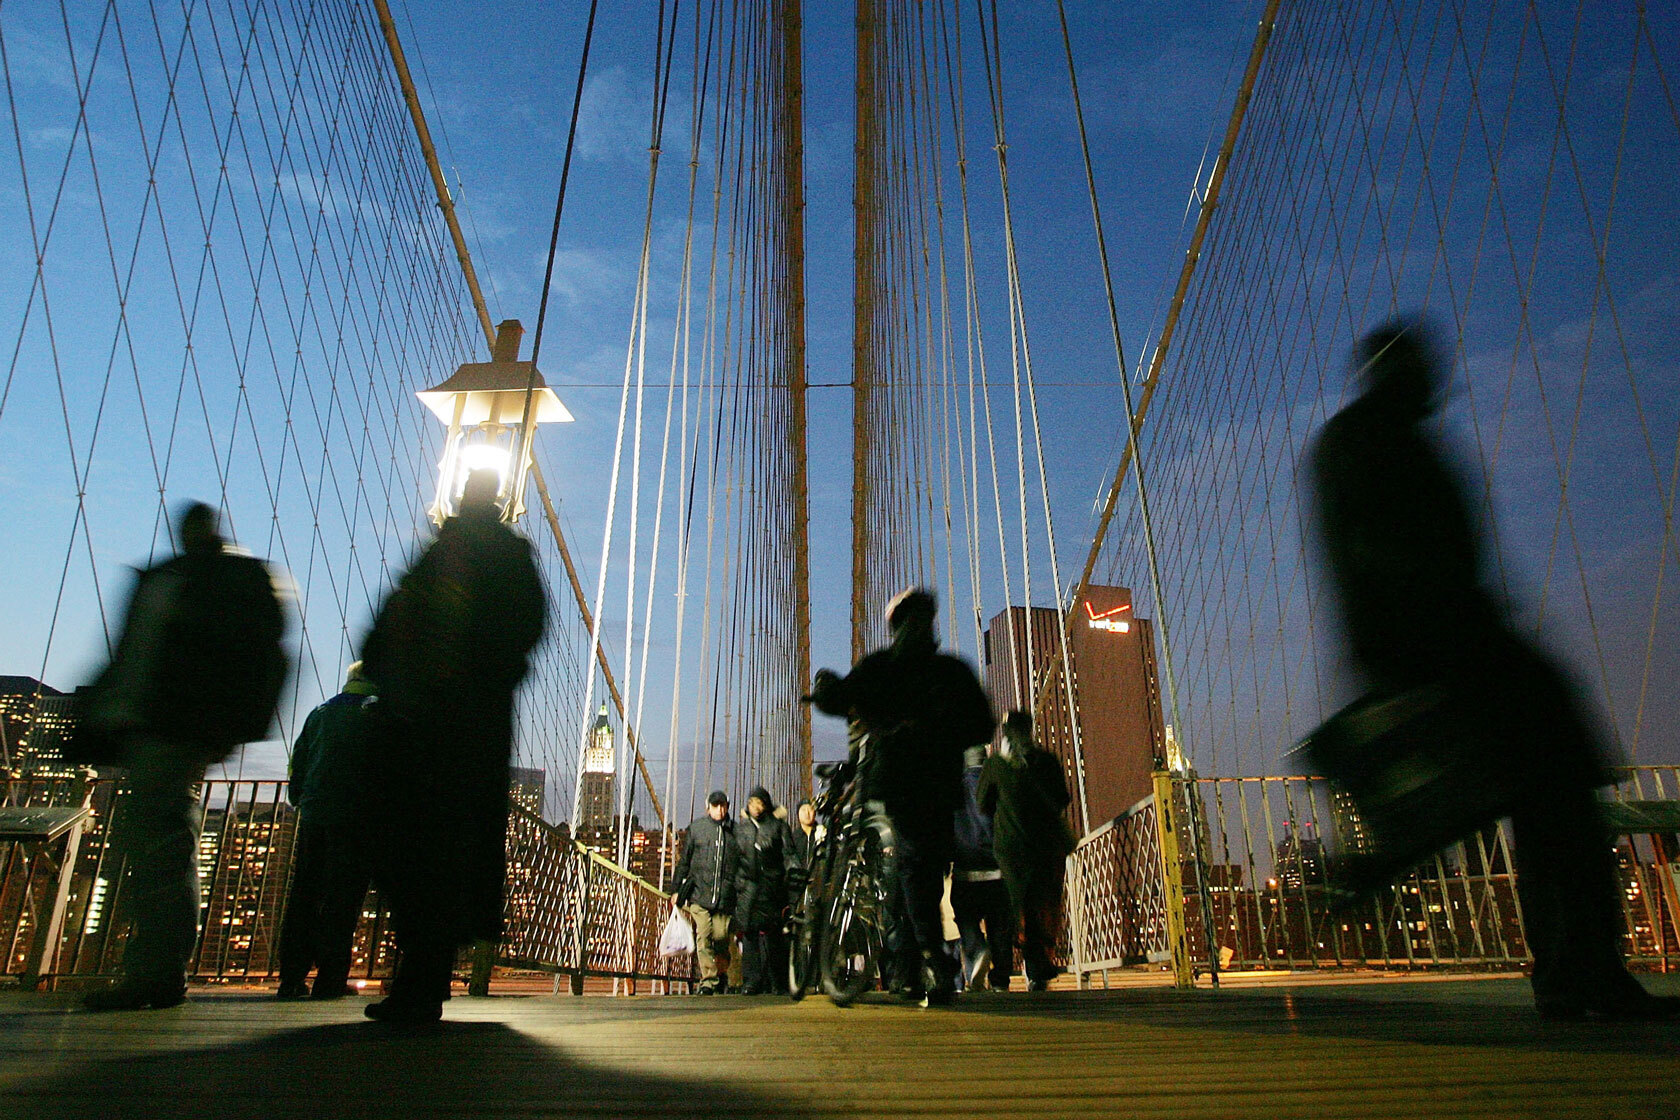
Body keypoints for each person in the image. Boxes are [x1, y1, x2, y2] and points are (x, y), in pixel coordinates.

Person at [1309, 321, 1678, 1021]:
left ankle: (1566, 965)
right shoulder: (1371, 439)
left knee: (1538, 790)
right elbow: (1380, 555)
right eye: (1423, 367)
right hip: (1452, 646)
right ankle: (1578, 972)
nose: (1439, 380)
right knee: (1554, 782)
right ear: (1398, 371)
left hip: (1446, 644)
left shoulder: (1367, 438)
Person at [79, 502, 290, 1011]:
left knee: (159, 846)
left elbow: (143, 653)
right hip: (159, 727)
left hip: (169, 727)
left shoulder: (193, 580)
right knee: (158, 843)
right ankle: (155, 969)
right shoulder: (219, 578)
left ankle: (153, 973)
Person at [358, 469, 546, 1023]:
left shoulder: (438, 554)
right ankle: (424, 979)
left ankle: (418, 983)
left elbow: (391, 622)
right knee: (447, 847)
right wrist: (495, 670)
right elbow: (530, 627)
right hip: (472, 726)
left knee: (414, 846)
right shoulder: (509, 558)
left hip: (421, 721)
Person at [809, 587, 995, 1006]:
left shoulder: (884, 666)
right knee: (921, 872)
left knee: (915, 871)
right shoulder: (952, 671)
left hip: (896, 785)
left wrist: (827, 690)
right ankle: (928, 961)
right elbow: (982, 724)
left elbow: (843, 698)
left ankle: (925, 958)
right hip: (934, 790)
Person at [276, 662, 378, 1000]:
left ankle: (291, 978)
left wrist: (300, 798)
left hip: (315, 814)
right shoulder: (378, 711)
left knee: (304, 894)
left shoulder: (320, 712)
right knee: (343, 899)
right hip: (356, 818)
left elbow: (298, 760)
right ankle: (330, 980)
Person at [978, 711, 1073, 992]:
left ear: (1006, 734)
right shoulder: (1047, 761)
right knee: (1036, 907)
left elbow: (983, 804)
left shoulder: (996, 765)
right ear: (1031, 730)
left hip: (1008, 849)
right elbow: (1062, 799)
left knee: (1007, 909)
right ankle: (1036, 969)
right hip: (1042, 846)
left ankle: (1001, 975)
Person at [952, 744, 1013, 991]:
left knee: (965, 918)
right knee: (1000, 926)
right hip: (998, 867)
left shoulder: (953, 788)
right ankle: (1000, 981)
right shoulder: (999, 784)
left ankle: (977, 951)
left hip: (966, 866)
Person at [673, 790, 739, 994]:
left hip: (723, 897)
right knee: (703, 933)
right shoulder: (697, 829)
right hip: (699, 894)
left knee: (721, 936)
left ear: (727, 807)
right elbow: (685, 861)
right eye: (715, 806)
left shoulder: (736, 831)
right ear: (708, 807)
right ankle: (708, 981)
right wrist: (675, 890)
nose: (719, 810)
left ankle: (721, 974)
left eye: (723, 806)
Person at [734, 786, 791, 995]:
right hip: (748, 888)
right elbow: (733, 860)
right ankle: (751, 982)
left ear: (766, 805)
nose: (755, 807)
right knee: (749, 935)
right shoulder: (741, 829)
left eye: (759, 803)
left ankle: (778, 982)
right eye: (751, 803)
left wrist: (793, 874)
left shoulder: (778, 827)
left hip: (771, 888)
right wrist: (736, 885)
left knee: (774, 936)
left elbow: (788, 854)